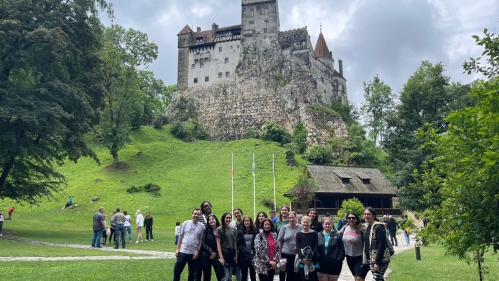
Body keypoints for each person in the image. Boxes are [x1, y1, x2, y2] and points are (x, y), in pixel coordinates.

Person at [173, 208, 205, 281]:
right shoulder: (185, 223)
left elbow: (201, 240)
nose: (196, 215)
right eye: (195, 214)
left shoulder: (202, 226)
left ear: (200, 216)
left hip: (193, 254)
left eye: (198, 214)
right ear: (192, 214)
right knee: (177, 271)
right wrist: (178, 249)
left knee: (192, 274)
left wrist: (198, 251)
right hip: (183, 252)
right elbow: (180, 236)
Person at [363, 207, 390, 281]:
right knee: (379, 278)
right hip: (371, 259)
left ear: (373, 216)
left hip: (381, 259)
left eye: (368, 214)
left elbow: (382, 245)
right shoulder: (368, 227)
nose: (366, 216)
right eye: (365, 214)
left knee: (376, 278)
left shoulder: (379, 227)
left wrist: (377, 262)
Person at [340, 212, 369, 281]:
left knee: (358, 278)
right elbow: (337, 235)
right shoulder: (345, 228)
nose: (351, 219)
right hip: (349, 257)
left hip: (361, 257)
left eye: (353, 218)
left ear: (356, 219)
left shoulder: (362, 229)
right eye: (349, 218)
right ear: (347, 219)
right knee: (357, 278)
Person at [197, 214, 223, 281]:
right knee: (206, 276)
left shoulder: (220, 230)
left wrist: (215, 253)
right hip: (207, 255)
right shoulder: (206, 230)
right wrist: (211, 252)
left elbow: (222, 243)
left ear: (216, 220)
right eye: (209, 220)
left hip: (217, 256)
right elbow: (202, 243)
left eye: (213, 219)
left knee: (219, 275)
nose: (211, 221)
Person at [277, 211, 302, 281]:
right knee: (285, 273)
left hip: (297, 255)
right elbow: (280, 241)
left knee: (295, 274)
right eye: (290, 218)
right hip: (286, 254)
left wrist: (299, 246)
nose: (291, 219)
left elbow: (304, 239)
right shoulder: (284, 228)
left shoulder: (301, 227)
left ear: (296, 218)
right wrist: (279, 254)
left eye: (293, 217)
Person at [216, 212, 238, 281]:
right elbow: (218, 244)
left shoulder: (234, 229)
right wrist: (221, 257)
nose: (228, 219)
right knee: (226, 276)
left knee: (229, 277)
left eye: (230, 218)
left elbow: (235, 243)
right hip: (224, 253)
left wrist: (236, 255)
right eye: (227, 218)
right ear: (223, 218)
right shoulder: (219, 229)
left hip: (231, 253)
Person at [296, 215, 319, 281]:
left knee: (312, 278)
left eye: (307, 222)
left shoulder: (314, 233)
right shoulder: (299, 234)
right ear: (301, 222)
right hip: (302, 261)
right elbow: (298, 247)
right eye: (304, 222)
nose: (305, 224)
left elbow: (315, 247)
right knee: (304, 278)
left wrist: (310, 258)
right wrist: (303, 258)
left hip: (312, 260)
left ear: (310, 223)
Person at [236, 215, 259, 281]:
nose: (246, 222)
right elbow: (239, 244)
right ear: (243, 222)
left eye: (248, 221)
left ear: (250, 222)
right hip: (243, 256)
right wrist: (246, 253)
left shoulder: (255, 231)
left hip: (253, 256)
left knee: (253, 274)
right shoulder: (240, 232)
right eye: (245, 221)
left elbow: (257, 243)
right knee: (244, 275)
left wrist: (252, 253)